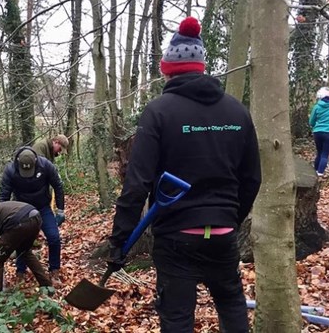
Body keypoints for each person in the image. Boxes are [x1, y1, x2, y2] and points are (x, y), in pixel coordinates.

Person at [107, 17, 261, 332]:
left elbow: (137, 184)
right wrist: (228, 217)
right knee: (232, 307)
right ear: (201, 67)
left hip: (175, 238)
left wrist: (119, 241)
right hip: (222, 238)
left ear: (167, 69)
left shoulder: (158, 111)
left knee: (177, 319)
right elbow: (252, 179)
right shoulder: (237, 112)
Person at [0, 147, 65, 284]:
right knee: (21, 241)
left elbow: (58, 186)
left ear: (35, 162)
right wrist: (2, 218)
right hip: (22, 211)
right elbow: (4, 196)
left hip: (43, 207)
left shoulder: (46, 165)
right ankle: (20, 271)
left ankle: (54, 270)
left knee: (54, 238)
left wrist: (60, 210)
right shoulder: (10, 171)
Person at [309, 87, 329, 177]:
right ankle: (320, 173)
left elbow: (311, 122)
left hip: (317, 132)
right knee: (325, 154)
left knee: (319, 152)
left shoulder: (317, 106)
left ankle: (314, 172)